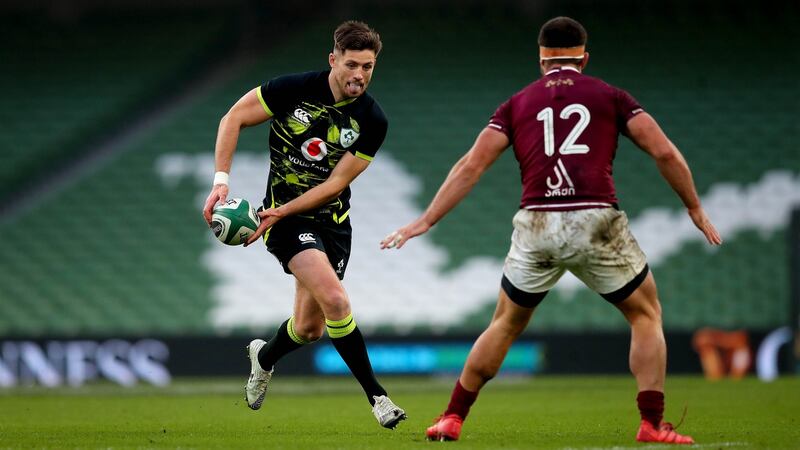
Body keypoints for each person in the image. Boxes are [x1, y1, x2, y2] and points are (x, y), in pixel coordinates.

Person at [381, 16, 721, 444]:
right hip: (595, 219)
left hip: (536, 222)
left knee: (504, 324)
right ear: (585, 57)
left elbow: (472, 165)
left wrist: (425, 220)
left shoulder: (517, 103)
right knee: (645, 314)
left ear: (541, 59)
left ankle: (452, 417)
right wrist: (693, 207)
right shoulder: (611, 97)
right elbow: (665, 152)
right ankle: (651, 424)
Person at [202, 20, 406, 430]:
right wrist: (221, 182)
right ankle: (378, 397)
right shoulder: (291, 89)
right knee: (337, 301)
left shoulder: (373, 120)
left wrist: (285, 209)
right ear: (333, 60)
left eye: (368, 67)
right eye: (352, 65)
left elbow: (336, 184)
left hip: (332, 223)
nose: (359, 75)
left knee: (310, 329)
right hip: (284, 221)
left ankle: (263, 358)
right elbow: (232, 118)